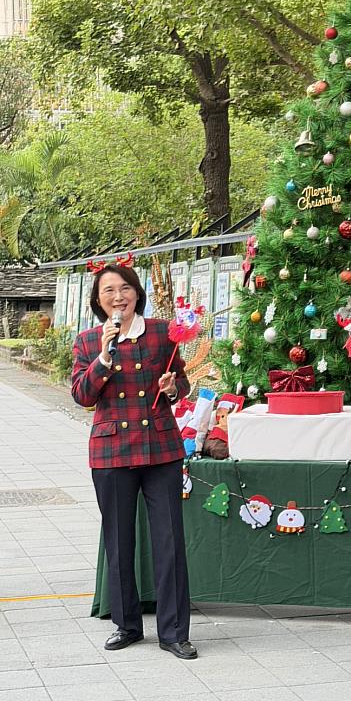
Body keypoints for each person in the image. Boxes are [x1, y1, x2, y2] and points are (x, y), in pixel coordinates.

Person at [71, 262, 197, 660]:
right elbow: (82, 395)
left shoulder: (162, 332)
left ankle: (174, 632)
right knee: (119, 539)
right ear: (98, 300)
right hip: (110, 450)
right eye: (108, 291)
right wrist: (105, 358)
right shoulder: (89, 341)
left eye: (124, 289)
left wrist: (173, 387)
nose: (118, 297)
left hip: (160, 447)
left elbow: (182, 382)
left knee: (169, 540)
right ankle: (127, 625)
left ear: (137, 293)